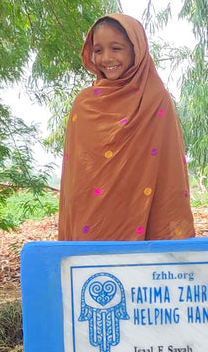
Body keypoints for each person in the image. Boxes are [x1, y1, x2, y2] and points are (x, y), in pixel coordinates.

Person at [58, 14, 195, 241]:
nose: (106, 58)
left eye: (116, 48)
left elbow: (168, 170)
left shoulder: (155, 100)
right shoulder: (84, 104)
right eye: (98, 50)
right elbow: (78, 179)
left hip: (145, 219)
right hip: (92, 224)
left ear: (136, 50)